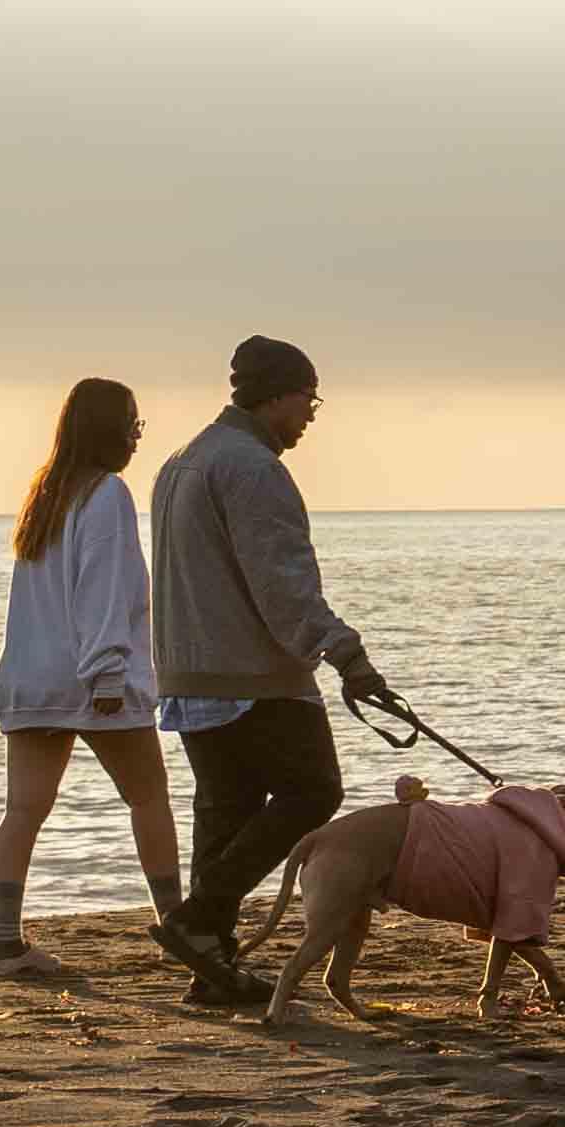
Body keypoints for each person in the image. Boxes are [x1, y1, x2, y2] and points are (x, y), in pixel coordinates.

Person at [148, 336, 395, 1015]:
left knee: (224, 815)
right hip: (251, 674)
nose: (311, 417)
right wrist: (346, 655)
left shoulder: (181, 461)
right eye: (307, 401)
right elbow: (282, 584)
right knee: (313, 791)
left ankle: (212, 964)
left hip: (189, 672)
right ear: (278, 395)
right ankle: (201, 916)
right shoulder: (252, 469)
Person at [0, 376, 186, 980]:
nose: (136, 437)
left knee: (23, 810)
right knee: (149, 796)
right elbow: (100, 588)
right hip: (91, 679)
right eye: (132, 424)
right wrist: (106, 674)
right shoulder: (105, 495)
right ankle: (177, 927)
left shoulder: (45, 496)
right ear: (107, 429)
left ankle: (4, 940)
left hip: (32, 679)